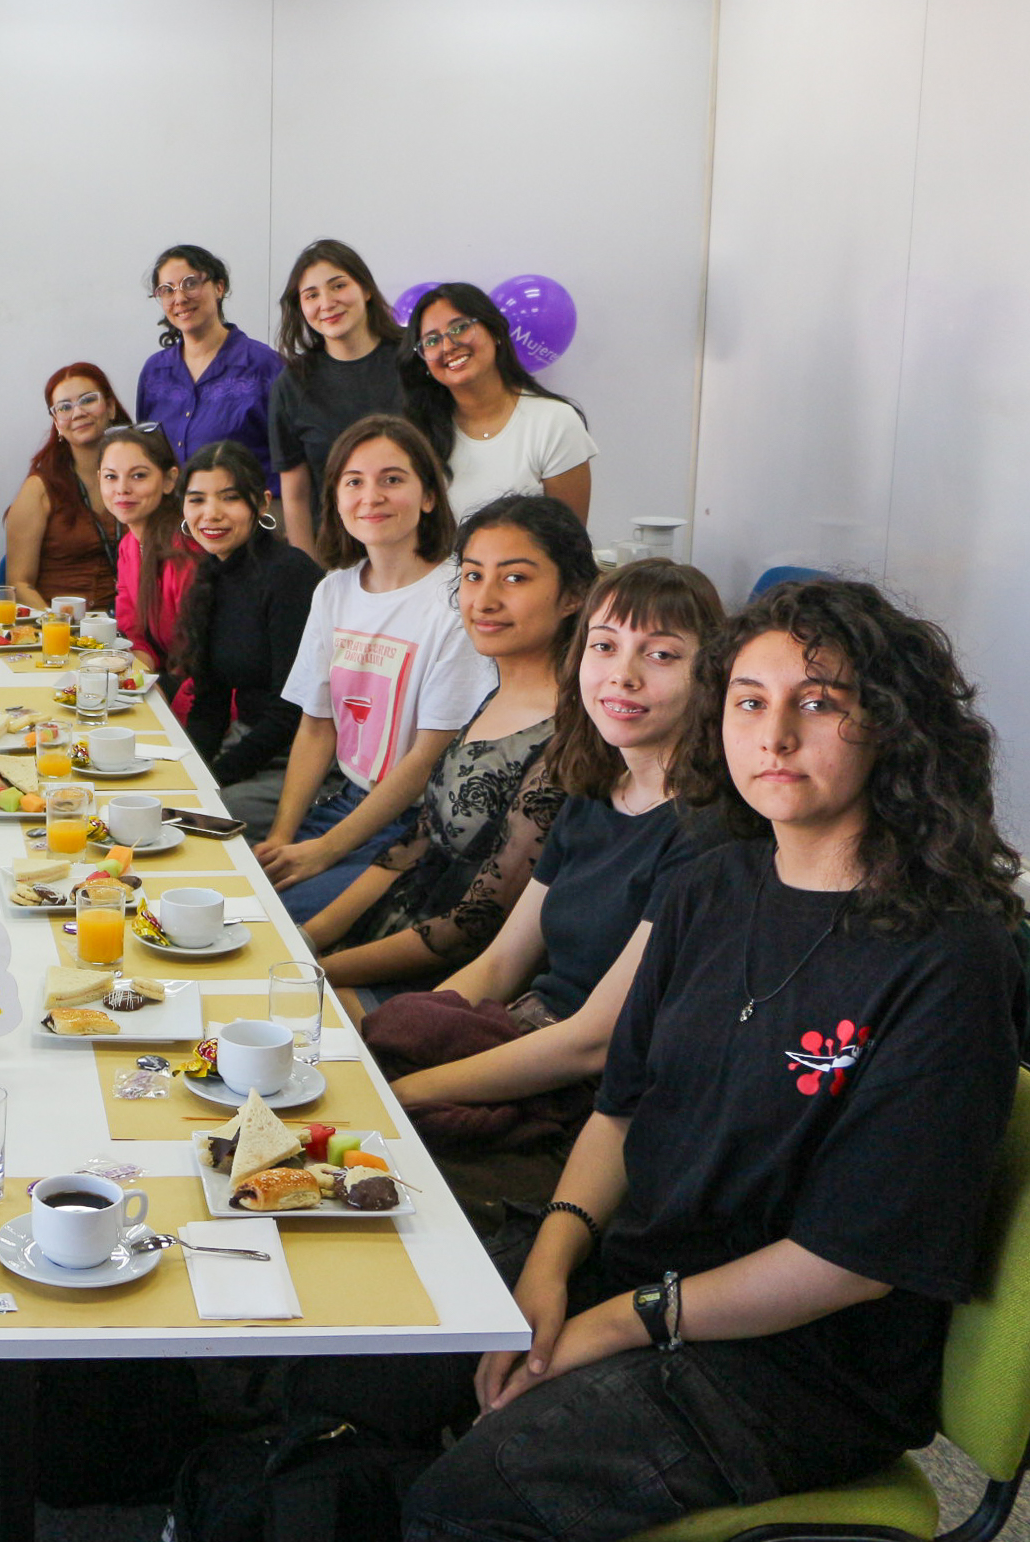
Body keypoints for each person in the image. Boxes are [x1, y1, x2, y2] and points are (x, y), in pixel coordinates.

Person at [398, 577, 1023, 1540]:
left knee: (466, 1499)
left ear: (892, 728)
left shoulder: (951, 956)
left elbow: (849, 1262)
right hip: (638, 1266)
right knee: (364, 1365)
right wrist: (552, 1263)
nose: (774, 736)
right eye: (748, 702)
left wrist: (614, 1323)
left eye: (818, 702)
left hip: (797, 1365)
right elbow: (620, 1109)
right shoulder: (710, 882)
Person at [364, 558, 725, 1211]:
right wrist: (409, 1043)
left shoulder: (706, 831)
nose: (622, 674)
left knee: (376, 1173)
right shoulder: (592, 790)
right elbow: (500, 963)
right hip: (521, 1035)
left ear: (711, 677)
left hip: (593, 1098)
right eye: (604, 646)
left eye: (661, 654)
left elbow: (593, 1041)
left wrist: (406, 1093)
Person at [304, 496, 596, 987]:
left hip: (448, 979)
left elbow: (471, 928)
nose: (484, 600)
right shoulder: (494, 695)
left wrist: (313, 974)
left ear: (572, 596)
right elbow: (414, 843)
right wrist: (307, 940)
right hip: (390, 932)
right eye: (474, 575)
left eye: (515, 578)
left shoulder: (569, 738)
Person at [259, 414, 495, 922]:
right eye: (354, 482)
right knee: (245, 890)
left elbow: (428, 757)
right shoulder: (333, 590)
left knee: (278, 919)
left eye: (392, 479)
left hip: (417, 825)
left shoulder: (457, 599)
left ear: (428, 496)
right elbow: (317, 726)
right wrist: (282, 836)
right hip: (347, 800)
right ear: (335, 498)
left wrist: (325, 851)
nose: (371, 496)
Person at [167, 440, 322, 841]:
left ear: (262, 502)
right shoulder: (212, 574)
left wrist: (213, 778)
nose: (211, 513)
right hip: (250, 743)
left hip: (302, 756)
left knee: (191, 823)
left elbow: (292, 711)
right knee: (156, 800)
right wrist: (191, 773)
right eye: (197, 499)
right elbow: (210, 704)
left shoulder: (290, 574)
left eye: (230, 497)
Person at [266, 239, 414, 559]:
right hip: (338, 555)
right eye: (311, 295)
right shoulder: (292, 384)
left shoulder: (413, 362)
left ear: (366, 289)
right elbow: (296, 496)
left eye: (338, 286)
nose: (327, 303)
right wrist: (307, 572)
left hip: (419, 547)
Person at [407, 282, 595, 523]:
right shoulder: (419, 433)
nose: (448, 346)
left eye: (460, 328)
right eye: (432, 341)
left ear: (494, 332)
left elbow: (569, 538)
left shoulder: (555, 421)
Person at [134, 244, 283, 480]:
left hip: (251, 501)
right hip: (174, 503)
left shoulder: (263, 365)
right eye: (167, 290)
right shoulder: (155, 372)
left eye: (190, 283)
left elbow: (291, 457)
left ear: (219, 287)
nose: (180, 298)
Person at [2, 363, 128, 612]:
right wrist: (58, 626)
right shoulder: (39, 489)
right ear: (57, 423)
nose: (77, 413)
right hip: (59, 627)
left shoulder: (140, 479)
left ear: (111, 407)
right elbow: (19, 585)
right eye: (64, 407)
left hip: (129, 625)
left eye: (88, 400)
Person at [95, 426, 196, 682]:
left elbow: (197, 651)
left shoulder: (185, 549)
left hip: (200, 688)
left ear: (169, 480)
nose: (122, 488)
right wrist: (136, 676)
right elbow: (133, 632)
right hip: (165, 679)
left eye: (138, 476)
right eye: (110, 477)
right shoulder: (129, 546)